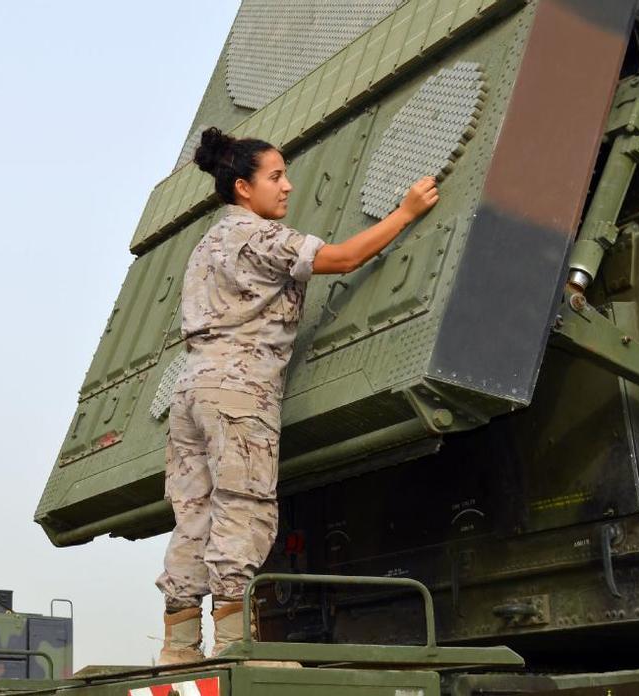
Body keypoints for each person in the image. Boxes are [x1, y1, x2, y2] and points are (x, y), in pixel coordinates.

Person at [156, 127, 439, 664]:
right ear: (244, 187)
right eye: (276, 176)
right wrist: (405, 212)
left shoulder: (206, 244)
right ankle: (238, 647)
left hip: (192, 388)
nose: (287, 187)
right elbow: (344, 259)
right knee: (243, 506)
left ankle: (179, 648)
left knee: (194, 512)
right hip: (239, 391)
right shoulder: (262, 237)